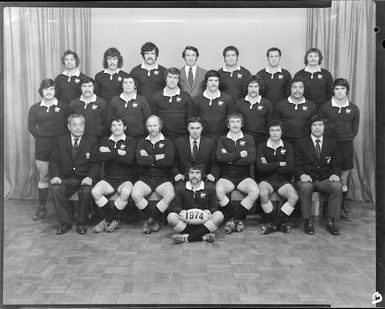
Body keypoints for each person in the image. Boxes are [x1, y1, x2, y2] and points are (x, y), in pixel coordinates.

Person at [49, 114, 99, 235]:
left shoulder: (92, 140)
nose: (78, 128)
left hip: (84, 179)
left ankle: (81, 222)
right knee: (55, 188)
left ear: (84, 126)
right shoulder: (60, 140)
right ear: (69, 127)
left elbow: (96, 163)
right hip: (66, 179)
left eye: (81, 125)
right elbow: (54, 161)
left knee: (86, 191)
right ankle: (65, 222)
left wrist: (90, 177)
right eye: (74, 125)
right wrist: (55, 175)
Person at [295, 114, 343, 236]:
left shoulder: (332, 143)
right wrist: (302, 175)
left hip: (324, 180)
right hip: (307, 179)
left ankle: (331, 221)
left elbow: (337, 164)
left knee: (337, 186)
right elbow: (296, 165)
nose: (317, 128)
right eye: (314, 125)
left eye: (320, 125)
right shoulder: (301, 143)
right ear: (310, 127)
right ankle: (307, 221)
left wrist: (336, 174)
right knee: (305, 188)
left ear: (324, 127)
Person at [319, 78, 360, 220]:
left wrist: (345, 138)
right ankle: (326, 209)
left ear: (347, 91)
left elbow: (354, 130)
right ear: (333, 90)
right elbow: (321, 128)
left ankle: (341, 209)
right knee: (327, 175)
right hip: (329, 146)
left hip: (346, 147)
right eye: (337, 89)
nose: (340, 92)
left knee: (343, 179)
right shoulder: (325, 108)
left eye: (342, 89)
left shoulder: (354, 108)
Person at [28, 79, 68, 221]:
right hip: (43, 146)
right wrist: (43, 138)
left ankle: (65, 209)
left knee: (62, 176)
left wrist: (61, 141)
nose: (49, 92)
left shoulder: (64, 107)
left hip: (60, 146)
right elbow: (31, 127)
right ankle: (42, 207)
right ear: (42, 91)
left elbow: (67, 126)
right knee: (44, 176)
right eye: (46, 89)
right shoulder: (35, 108)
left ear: (55, 91)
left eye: (51, 89)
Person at [91, 116, 136, 233]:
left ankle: (107, 220)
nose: (117, 128)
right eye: (114, 125)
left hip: (125, 178)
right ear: (110, 128)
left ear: (124, 127)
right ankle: (115, 219)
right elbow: (99, 157)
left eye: (119, 125)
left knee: (126, 193)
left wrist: (109, 153)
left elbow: (128, 159)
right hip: (109, 178)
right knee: (95, 192)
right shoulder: (105, 140)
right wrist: (117, 152)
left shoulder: (130, 141)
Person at [216, 112, 259, 234]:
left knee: (255, 191)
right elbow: (220, 157)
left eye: (237, 121)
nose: (235, 124)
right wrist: (239, 155)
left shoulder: (248, 138)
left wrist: (229, 159)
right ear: (228, 124)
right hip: (227, 175)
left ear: (242, 124)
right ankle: (237, 219)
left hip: (244, 175)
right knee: (218, 191)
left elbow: (251, 158)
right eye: (232, 121)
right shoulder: (222, 139)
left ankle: (234, 219)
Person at [131, 115, 175, 234]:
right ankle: (154, 220)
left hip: (163, 177)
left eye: (155, 125)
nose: (152, 128)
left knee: (170, 194)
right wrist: (158, 156)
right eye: (149, 126)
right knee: (135, 194)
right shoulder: (142, 142)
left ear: (160, 126)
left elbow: (168, 161)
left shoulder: (168, 141)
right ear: (146, 127)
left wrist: (149, 158)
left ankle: (151, 220)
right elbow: (140, 161)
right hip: (146, 177)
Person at [256, 120, 298, 234]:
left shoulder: (288, 146)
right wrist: (279, 163)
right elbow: (260, 168)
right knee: (263, 194)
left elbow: (289, 168)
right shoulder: (262, 146)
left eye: (277, 130)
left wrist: (268, 165)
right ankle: (277, 223)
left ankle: (273, 225)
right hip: (266, 180)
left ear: (282, 132)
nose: (275, 133)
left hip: (283, 180)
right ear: (268, 132)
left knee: (294, 197)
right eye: (272, 130)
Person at [168, 161, 224, 244]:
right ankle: (203, 236)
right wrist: (180, 212)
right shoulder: (180, 187)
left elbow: (214, 207)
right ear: (188, 174)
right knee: (171, 217)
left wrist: (209, 211)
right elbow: (176, 207)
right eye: (191, 172)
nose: (194, 176)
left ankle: (188, 238)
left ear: (202, 174)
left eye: (197, 173)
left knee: (219, 215)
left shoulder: (210, 187)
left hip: (204, 222)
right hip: (186, 223)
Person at [172, 117, 220, 184]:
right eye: (192, 128)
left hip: (205, 179)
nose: (195, 131)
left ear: (202, 128)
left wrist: (213, 175)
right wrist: (176, 174)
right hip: (183, 179)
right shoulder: (178, 142)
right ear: (188, 128)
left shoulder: (210, 143)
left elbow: (215, 164)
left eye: (197, 128)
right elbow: (174, 162)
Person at [151, 67, 193, 140]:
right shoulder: (156, 97)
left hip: (182, 136)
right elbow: (153, 118)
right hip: (162, 136)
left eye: (175, 78)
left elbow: (190, 118)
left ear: (178, 80)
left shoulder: (186, 96)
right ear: (165, 79)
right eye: (170, 77)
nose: (172, 80)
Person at [107, 74, 151, 140]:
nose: (128, 85)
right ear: (122, 85)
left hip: (139, 138)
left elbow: (148, 121)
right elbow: (109, 121)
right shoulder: (114, 101)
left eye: (130, 82)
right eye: (125, 82)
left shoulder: (142, 100)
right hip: (120, 138)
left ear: (135, 85)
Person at [234, 74, 274, 148]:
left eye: (256, 86)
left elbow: (270, 124)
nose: (253, 89)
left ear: (260, 88)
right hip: (242, 139)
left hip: (262, 140)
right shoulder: (239, 104)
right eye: (251, 86)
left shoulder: (267, 104)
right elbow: (234, 124)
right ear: (247, 88)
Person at [275, 77, 317, 146]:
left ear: (304, 89)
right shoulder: (281, 105)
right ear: (290, 89)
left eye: (300, 87)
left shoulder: (311, 106)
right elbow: (276, 125)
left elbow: (314, 126)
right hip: (285, 141)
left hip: (305, 142)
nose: (297, 90)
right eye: (294, 87)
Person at [192, 70, 233, 140]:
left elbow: (231, 120)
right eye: (211, 80)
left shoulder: (227, 99)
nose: (213, 83)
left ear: (219, 83)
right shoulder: (196, 99)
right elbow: (194, 120)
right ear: (206, 82)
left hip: (222, 137)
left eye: (216, 80)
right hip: (202, 138)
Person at [69, 77, 108, 142]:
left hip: (97, 139)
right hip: (78, 139)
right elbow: (70, 123)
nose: (87, 89)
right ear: (80, 88)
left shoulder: (102, 103)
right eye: (84, 86)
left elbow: (106, 124)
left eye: (90, 86)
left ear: (94, 87)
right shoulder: (73, 104)